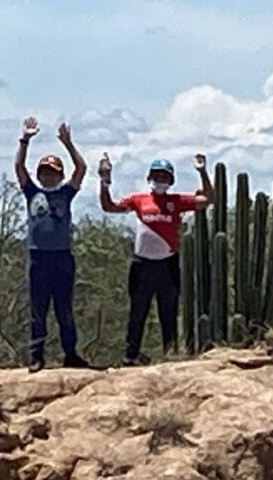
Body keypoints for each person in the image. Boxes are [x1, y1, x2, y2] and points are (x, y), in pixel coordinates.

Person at [98, 152, 214, 365]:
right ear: (150, 177)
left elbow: (208, 199)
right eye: (157, 175)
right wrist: (104, 182)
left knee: (168, 312)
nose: (161, 179)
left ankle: (170, 355)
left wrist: (202, 172)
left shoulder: (176, 201)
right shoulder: (138, 200)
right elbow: (109, 207)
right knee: (137, 312)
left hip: (167, 265)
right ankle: (130, 355)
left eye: (165, 176)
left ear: (170, 180)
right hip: (142, 265)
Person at [14, 116, 89, 372]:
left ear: (59, 175)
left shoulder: (65, 193)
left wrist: (68, 144)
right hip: (38, 257)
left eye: (53, 173)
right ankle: (36, 356)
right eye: (45, 173)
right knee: (38, 308)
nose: (48, 177)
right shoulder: (32, 193)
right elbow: (19, 168)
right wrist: (24, 140)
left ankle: (70, 354)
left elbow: (81, 169)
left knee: (64, 307)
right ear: (39, 175)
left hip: (62, 256)